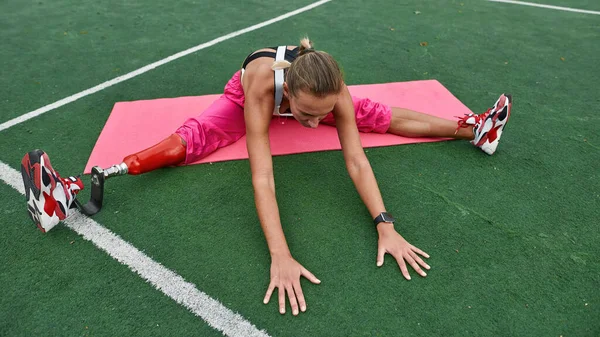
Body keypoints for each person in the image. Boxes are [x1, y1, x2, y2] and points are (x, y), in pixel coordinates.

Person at [21, 37, 512, 316]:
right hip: (244, 94)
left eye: (324, 115)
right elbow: (262, 176)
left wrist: (385, 222)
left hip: (311, 82)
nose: (316, 125)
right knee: (193, 138)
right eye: (305, 115)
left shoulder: (331, 90)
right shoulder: (260, 86)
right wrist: (281, 253)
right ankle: (69, 190)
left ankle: (473, 129)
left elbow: (357, 159)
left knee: (375, 114)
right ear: (289, 96)